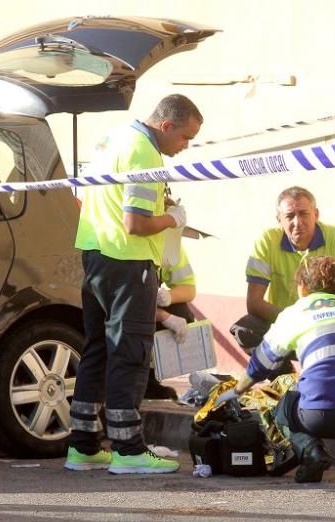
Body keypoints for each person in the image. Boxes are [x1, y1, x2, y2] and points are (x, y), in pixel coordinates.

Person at [64, 94, 202, 474]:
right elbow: (136, 223)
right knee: (130, 351)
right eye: (185, 137)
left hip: (95, 255)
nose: (185, 146)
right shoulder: (144, 153)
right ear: (166, 126)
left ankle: (84, 446)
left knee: (97, 350)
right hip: (128, 261)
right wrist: (172, 219)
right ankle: (128, 450)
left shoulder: (114, 140)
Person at [217, 256, 335, 483]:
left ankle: (311, 454)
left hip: (319, 416)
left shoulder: (294, 314)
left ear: (303, 287)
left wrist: (236, 391)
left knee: (284, 407)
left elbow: (261, 363)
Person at [230, 187, 335, 373]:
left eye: (304, 214)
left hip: (329, 327)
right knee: (245, 329)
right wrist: (296, 321)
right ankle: (287, 383)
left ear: (316, 214)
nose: (297, 222)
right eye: (289, 216)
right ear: (279, 219)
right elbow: (253, 303)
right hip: (285, 325)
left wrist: (318, 319)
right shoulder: (266, 241)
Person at [146, 246, 197, 400]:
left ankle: (149, 381)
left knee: (182, 313)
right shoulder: (135, 244)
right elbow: (126, 300)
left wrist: (169, 296)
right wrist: (163, 316)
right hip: (119, 312)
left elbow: (189, 288)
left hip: (142, 306)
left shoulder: (170, 243)